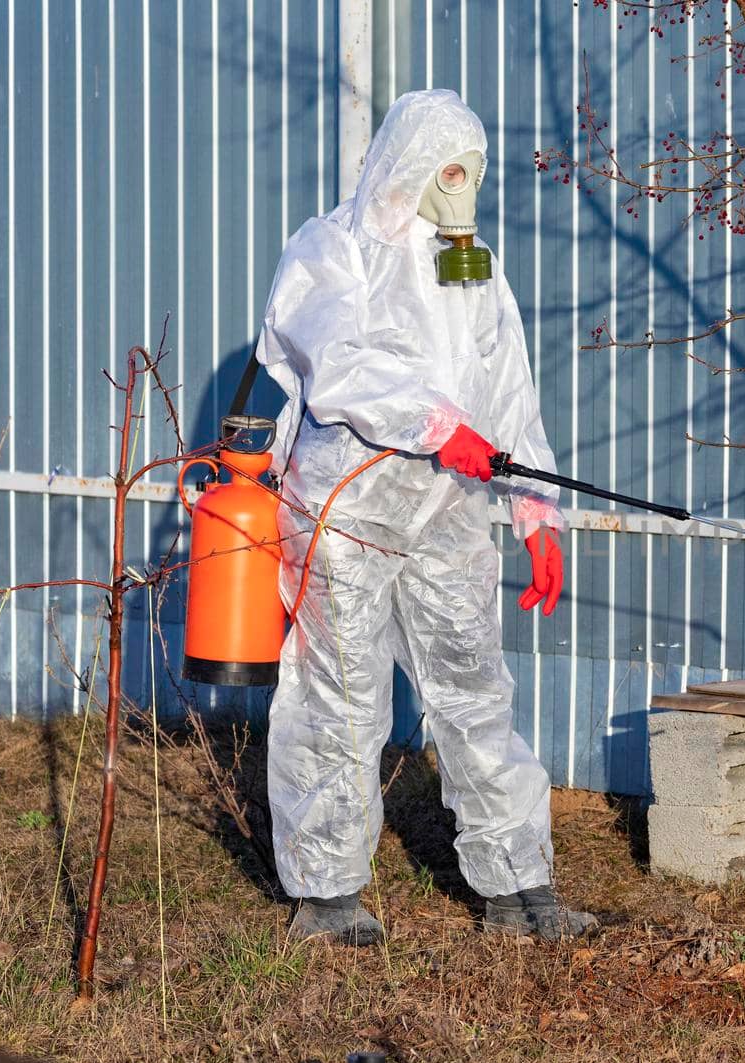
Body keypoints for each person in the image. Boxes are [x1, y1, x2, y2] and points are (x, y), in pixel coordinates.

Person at [255, 89, 594, 945]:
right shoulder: (333, 250)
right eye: (451, 169)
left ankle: (522, 887)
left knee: (477, 692)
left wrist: (535, 508)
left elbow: (508, 388)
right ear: (408, 164)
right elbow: (335, 362)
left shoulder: (474, 267)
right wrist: (437, 425)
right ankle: (327, 896)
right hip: (345, 511)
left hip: (445, 512)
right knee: (340, 700)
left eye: (476, 171)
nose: (465, 188)